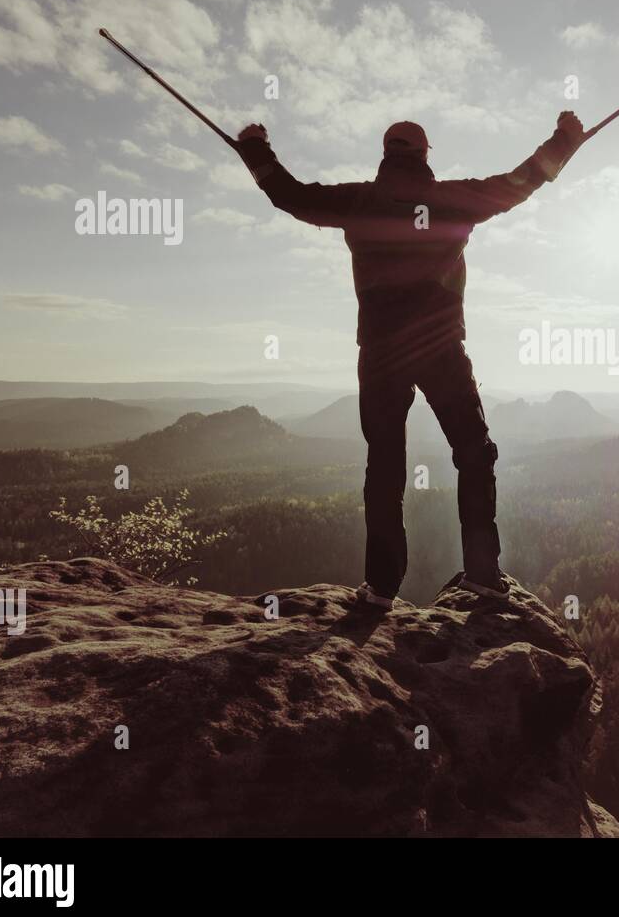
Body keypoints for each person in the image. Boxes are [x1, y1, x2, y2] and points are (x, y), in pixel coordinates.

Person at [234, 112, 585, 610]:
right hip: (440, 347)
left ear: (386, 154)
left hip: (380, 353)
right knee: (473, 452)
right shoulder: (450, 199)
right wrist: (566, 140)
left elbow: (289, 195)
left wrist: (255, 148)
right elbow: (523, 181)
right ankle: (483, 574)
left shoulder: (358, 201)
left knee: (384, 464)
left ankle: (380, 588)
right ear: (424, 156)